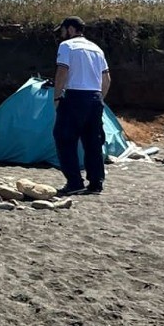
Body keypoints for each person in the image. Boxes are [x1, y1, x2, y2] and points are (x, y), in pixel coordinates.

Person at [52, 16, 111, 195]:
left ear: (70, 29)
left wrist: (57, 97)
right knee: (93, 142)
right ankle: (96, 183)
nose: (61, 34)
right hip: (94, 98)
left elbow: (62, 71)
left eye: (63, 30)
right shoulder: (96, 49)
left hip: (75, 97)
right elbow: (107, 79)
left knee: (64, 139)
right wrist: (100, 98)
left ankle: (74, 182)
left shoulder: (67, 46)